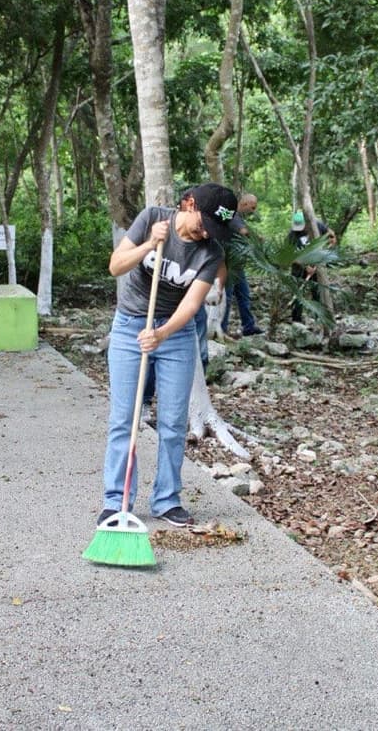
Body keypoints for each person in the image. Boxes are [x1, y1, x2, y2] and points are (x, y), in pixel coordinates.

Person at [100, 183, 239, 528]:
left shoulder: (212, 252)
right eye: (203, 222)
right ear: (188, 204)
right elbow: (116, 266)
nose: (206, 231)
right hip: (131, 323)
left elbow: (192, 305)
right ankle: (116, 501)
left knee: (173, 423)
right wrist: (149, 243)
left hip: (175, 333)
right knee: (126, 419)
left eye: (214, 228)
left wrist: (161, 334)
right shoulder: (152, 218)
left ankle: (166, 499)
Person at [221, 193, 263, 337]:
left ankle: (248, 326)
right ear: (245, 204)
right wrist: (257, 238)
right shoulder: (232, 215)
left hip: (237, 265)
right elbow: (243, 232)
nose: (253, 211)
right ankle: (223, 327)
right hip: (228, 264)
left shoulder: (241, 218)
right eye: (252, 207)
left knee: (244, 295)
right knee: (226, 296)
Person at [287, 209, 336, 323]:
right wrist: (305, 267)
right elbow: (290, 256)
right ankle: (296, 321)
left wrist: (331, 242)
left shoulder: (317, 225)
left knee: (317, 292)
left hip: (317, 266)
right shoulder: (292, 234)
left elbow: (331, 235)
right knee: (298, 293)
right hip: (298, 268)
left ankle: (318, 319)